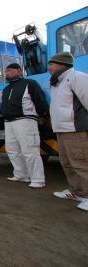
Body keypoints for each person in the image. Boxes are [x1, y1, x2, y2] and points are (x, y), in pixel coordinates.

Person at [48, 52, 88, 211]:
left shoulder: (77, 77)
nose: (49, 67)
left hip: (75, 128)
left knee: (81, 162)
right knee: (66, 162)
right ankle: (77, 192)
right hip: (62, 128)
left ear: (62, 64)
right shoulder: (58, 82)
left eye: (52, 64)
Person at [1, 63, 48, 188]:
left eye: (9, 70)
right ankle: (22, 174)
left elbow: (40, 99)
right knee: (12, 149)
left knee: (29, 150)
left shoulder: (30, 83)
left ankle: (38, 179)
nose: (6, 73)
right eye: (6, 71)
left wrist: (42, 115)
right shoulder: (6, 89)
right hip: (9, 122)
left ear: (18, 71)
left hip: (25, 120)